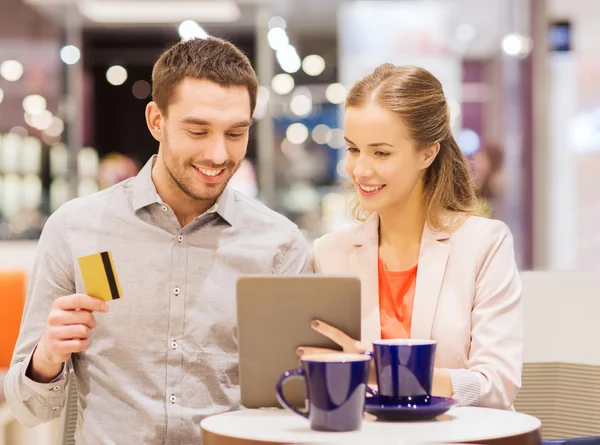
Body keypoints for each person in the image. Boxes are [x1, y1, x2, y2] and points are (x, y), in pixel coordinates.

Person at [5, 37, 310, 443]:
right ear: (156, 121)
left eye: (236, 133)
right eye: (198, 130)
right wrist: (47, 357)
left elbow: (293, 407)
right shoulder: (76, 230)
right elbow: (30, 408)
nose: (219, 154)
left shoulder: (279, 246)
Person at [300, 64, 522, 410]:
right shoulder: (329, 254)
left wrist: (381, 371)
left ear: (427, 153)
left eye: (381, 152)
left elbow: (497, 386)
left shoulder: (484, 244)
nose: (360, 170)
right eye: (353, 149)